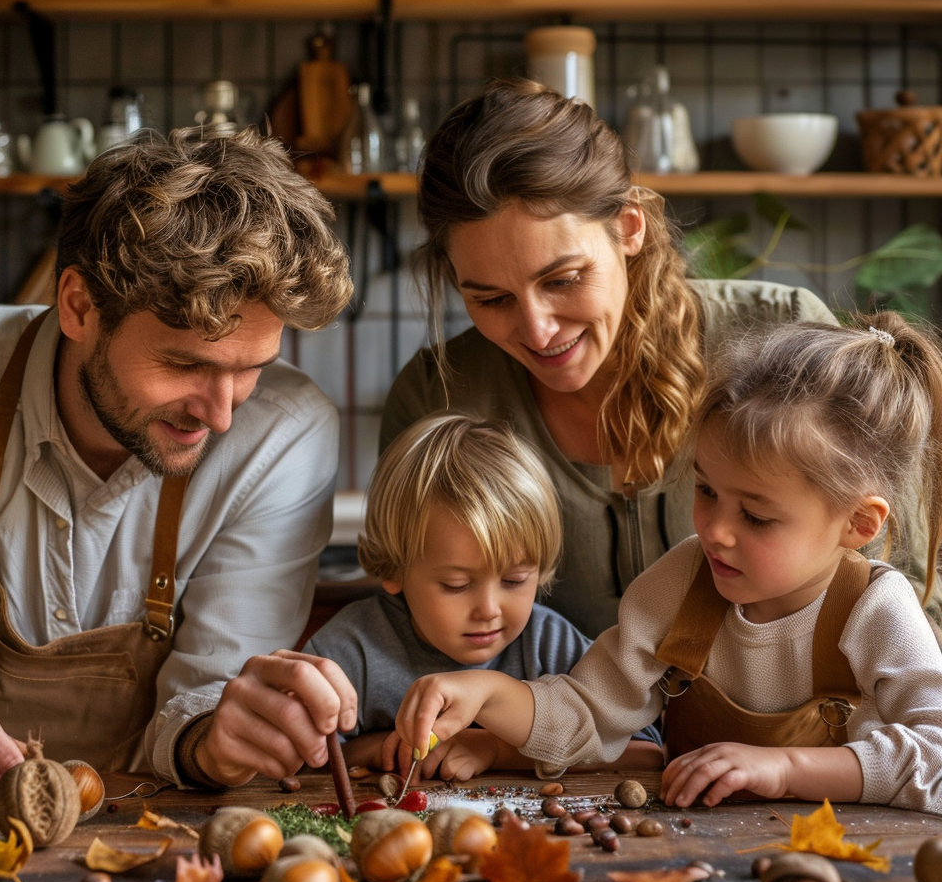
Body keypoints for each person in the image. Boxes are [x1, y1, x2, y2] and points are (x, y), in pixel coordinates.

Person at [380, 78, 942, 637]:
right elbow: (410, 638)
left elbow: (911, 595)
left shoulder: (784, 333)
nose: (537, 329)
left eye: (565, 279)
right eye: (491, 298)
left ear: (628, 227)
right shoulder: (438, 396)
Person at [0, 126, 358, 798]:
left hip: (149, 843)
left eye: (251, 371)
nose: (220, 415)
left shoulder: (284, 437)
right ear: (79, 306)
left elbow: (211, 694)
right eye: (186, 364)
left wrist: (219, 736)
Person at [396, 314, 942, 814]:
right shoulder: (683, 584)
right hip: (696, 855)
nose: (713, 530)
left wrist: (786, 768)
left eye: (755, 516)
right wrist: (488, 693)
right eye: (706, 490)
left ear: (859, 524)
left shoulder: (875, 609)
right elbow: (589, 714)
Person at [303, 413, 660, 781]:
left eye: (514, 580)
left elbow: (646, 753)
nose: (489, 611)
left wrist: (496, 748)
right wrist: (379, 750)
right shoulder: (350, 651)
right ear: (393, 569)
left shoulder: (549, 646)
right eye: (456, 585)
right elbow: (299, 757)